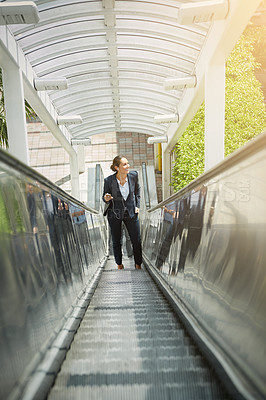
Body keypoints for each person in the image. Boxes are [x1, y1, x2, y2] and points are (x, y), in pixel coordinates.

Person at [103, 155, 142, 270]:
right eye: (124, 164)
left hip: (131, 212)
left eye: (127, 163)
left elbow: (137, 191)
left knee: (136, 240)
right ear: (117, 167)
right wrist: (106, 197)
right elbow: (104, 196)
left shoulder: (133, 176)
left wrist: (137, 206)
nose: (128, 166)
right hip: (114, 213)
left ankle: (138, 264)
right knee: (116, 240)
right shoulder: (109, 180)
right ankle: (119, 264)